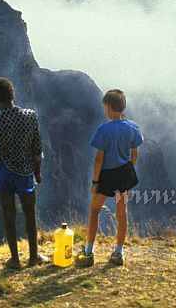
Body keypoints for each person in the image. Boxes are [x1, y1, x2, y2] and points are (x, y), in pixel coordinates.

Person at [0, 77, 48, 269]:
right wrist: (37, 173)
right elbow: (37, 148)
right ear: (12, 95)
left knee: (9, 215)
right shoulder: (30, 116)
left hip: (4, 173)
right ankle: (34, 256)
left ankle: (14, 259)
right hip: (25, 172)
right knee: (30, 213)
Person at [77, 88, 143, 267]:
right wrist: (129, 170)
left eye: (104, 107)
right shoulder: (133, 127)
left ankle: (89, 251)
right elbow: (134, 153)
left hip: (107, 175)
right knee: (122, 213)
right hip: (124, 174)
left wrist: (95, 182)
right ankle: (118, 252)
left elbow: (99, 159)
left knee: (94, 210)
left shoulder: (104, 130)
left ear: (107, 106)